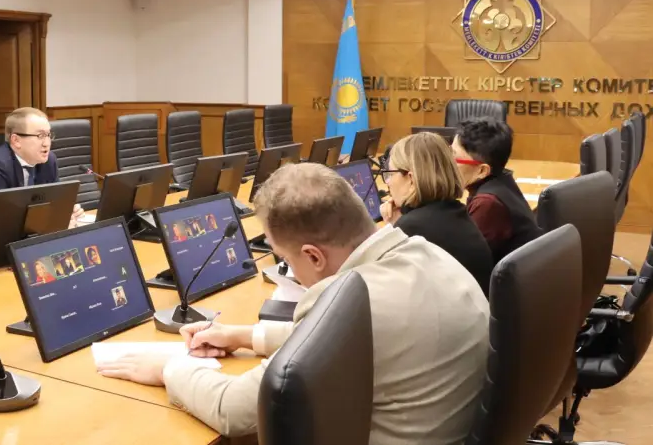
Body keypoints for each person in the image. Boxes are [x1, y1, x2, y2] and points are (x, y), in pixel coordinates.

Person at [97, 163, 489, 441]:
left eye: (286, 259)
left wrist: (169, 368)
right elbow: (340, 343)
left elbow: (234, 410)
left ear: (314, 256)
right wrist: (243, 336)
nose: (292, 272)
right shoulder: (427, 253)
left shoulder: (355, 301)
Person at [379, 132, 493, 296]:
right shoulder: (455, 211)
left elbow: (388, 290)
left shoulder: (413, 227)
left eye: (390, 174)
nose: (388, 182)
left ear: (411, 179)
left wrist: (394, 230)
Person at [0, 107, 83, 238]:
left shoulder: (49, 161)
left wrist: (65, 213)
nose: (46, 143)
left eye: (48, 135)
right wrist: (53, 225)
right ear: (16, 140)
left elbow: (54, 202)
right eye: (40, 136)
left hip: (25, 238)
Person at [453, 117, 543, 264]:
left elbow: (463, 262)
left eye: (454, 158)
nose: (447, 163)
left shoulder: (487, 204)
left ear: (482, 170)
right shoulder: (502, 180)